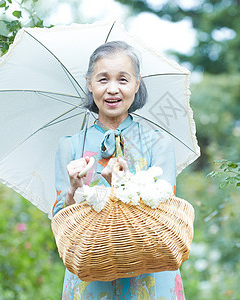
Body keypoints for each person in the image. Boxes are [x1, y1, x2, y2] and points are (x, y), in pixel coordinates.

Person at [52, 41, 185, 299]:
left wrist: (122, 186)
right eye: (103, 79)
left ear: (137, 85)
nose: (112, 89)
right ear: (90, 84)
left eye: (123, 80)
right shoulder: (70, 147)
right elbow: (60, 225)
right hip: (91, 281)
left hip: (150, 279)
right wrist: (73, 190)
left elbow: (166, 218)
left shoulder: (158, 144)